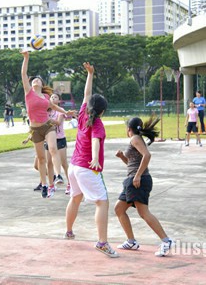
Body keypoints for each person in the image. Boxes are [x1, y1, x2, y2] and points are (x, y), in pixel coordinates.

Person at [64, 62, 119, 258]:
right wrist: (95, 158)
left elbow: (87, 95)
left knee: (76, 198)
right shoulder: (97, 123)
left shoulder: (82, 115)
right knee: (102, 201)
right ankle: (102, 243)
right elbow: (96, 140)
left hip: (74, 167)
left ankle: (69, 231)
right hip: (87, 167)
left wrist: (90, 75)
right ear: (102, 111)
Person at [114, 117, 174, 257]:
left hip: (138, 181)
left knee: (143, 212)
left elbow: (147, 155)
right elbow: (132, 163)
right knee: (119, 209)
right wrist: (122, 156)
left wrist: (138, 175)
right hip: (133, 180)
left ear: (129, 128)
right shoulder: (136, 139)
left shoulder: (135, 138)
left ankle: (166, 241)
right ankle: (131, 241)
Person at [21, 50, 75, 199]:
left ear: (42, 84)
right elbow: (24, 74)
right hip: (35, 129)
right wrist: (26, 58)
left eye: (38, 80)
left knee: (52, 149)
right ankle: (45, 184)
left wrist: (66, 112)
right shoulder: (28, 93)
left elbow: (55, 107)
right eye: (34, 80)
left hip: (47, 126)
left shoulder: (45, 97)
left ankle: (58, 176)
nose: (35, 81)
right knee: (41, 159)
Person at [44, 93, 70, 194]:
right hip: (48, 139)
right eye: (51, 97)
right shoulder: (47, 110)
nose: (53, 98)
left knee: (64, 163)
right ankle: (51, 185)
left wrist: (46, 119)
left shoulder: (60, 111)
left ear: (59, 101)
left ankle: (70, 184)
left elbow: (58, 122)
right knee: (49, 163)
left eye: (55, 97)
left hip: (60, 139)